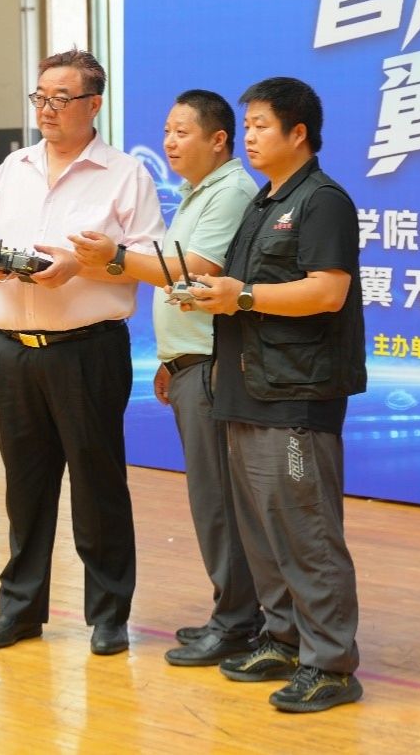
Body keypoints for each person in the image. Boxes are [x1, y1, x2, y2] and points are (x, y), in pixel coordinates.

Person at [0, 49, 165, 657]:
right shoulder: (14, 166)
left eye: (60, 99)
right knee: (24, 485)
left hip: (86, 350)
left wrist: (81, 265)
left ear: (93, 105)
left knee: (98, 485)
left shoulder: (125, 175)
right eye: (40, 97)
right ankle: (20, 610)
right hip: (12, 350)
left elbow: (150, 262)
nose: (46, 109)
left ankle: (109, 615)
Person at [188, 76, 367, 712]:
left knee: (305, 531)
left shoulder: (322, 202)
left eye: (262, 125)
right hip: (245, 388)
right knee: (263, 532)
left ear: (299, 133)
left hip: (295, 396)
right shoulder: (263, 202)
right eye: (248, 126)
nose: (251, 137)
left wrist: (240, 296)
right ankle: (285, 640)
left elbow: (327, 292)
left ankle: (331, 665)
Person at [69, 89, 262, 667]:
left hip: (213, 367)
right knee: (211, 499)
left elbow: (196, 271)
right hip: (191, 362)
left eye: (182, 132)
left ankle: (237, 623)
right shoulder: (198, 192)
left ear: (218, 140)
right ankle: (232, 613)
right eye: (167, 132)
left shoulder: (231, 191)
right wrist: (170, 356)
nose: (170, 143)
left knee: (219, 501)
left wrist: (115, 258)